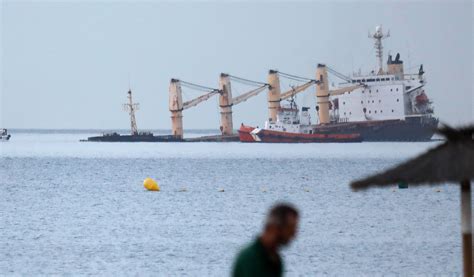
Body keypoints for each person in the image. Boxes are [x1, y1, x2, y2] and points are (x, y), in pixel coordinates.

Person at [232, 203, 299, 277]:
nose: (294, 234)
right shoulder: (250, 259)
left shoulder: (276, 259)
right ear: (274, 228)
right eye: (290, 229)